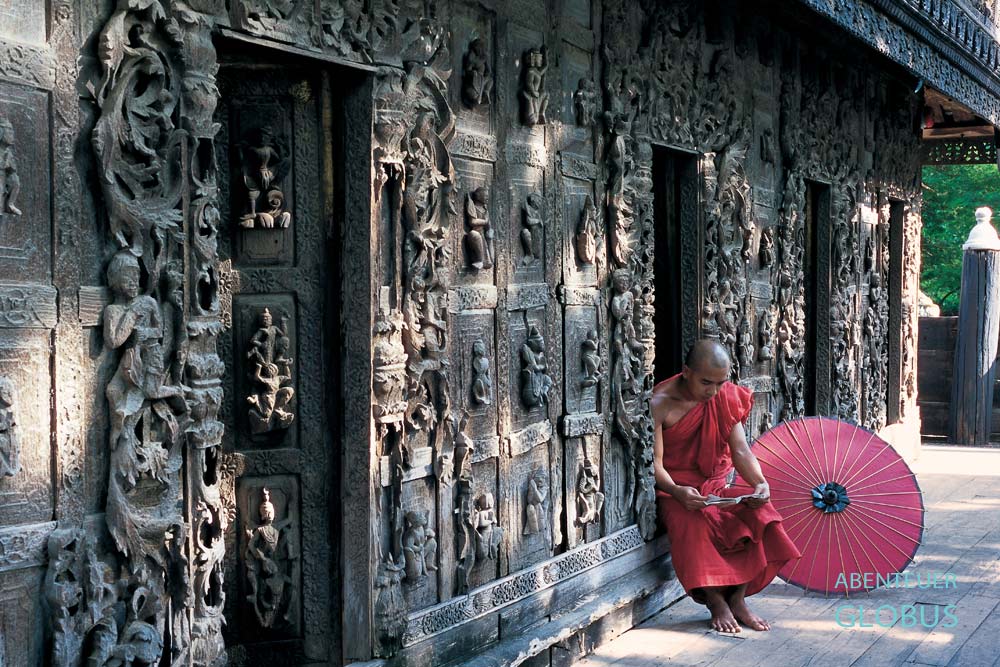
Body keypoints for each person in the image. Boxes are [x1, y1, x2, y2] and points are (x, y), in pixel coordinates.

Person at [651, 339, 800, 633]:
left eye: (721, 383)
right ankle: (715, 601)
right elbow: (655, 463)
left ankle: (739, 598)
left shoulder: (723, 397)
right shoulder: (660, 401)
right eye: (706, 382)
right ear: (686, 372)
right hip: (675, 489)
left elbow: (741, 450)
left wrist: (760, 484)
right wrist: (678, 492)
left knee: (760, 514)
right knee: (692, 523)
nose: (714, 391)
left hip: (715, 486)